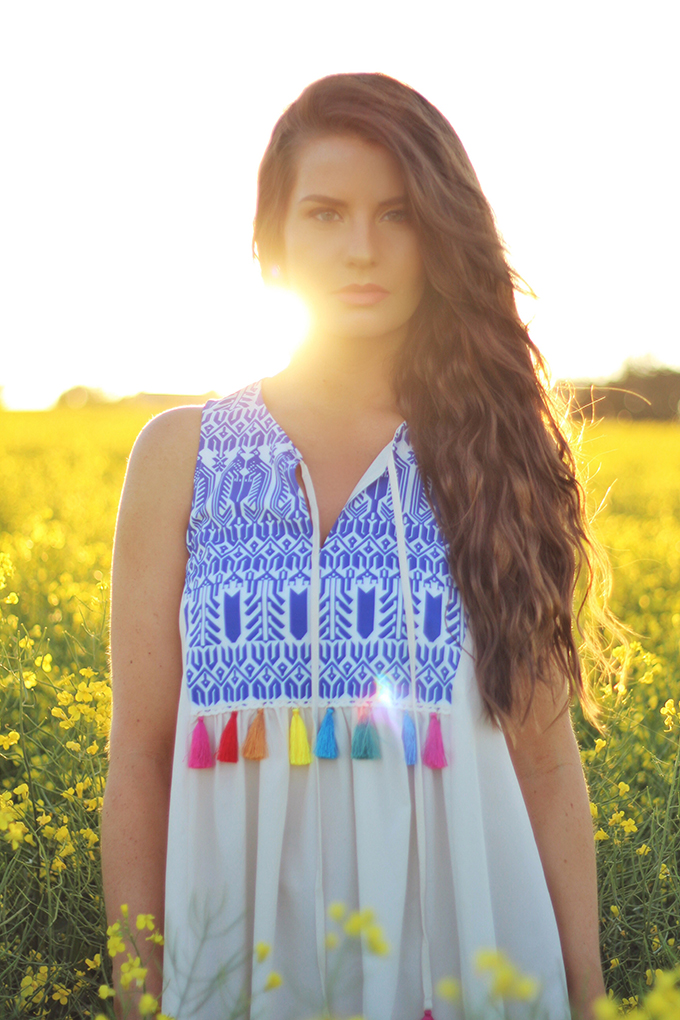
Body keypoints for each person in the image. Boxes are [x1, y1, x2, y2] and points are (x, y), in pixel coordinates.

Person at [102, 72, 611, 1020]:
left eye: (399, 214)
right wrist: (139, 997)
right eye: (327, 214)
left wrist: (592, 1003)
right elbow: (141, 750)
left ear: (438, 236)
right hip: (236, 978)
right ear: (273, 243)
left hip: (470, 972)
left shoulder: (497, 457)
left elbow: (543, 763)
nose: (363, 249)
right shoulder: (181, 455)